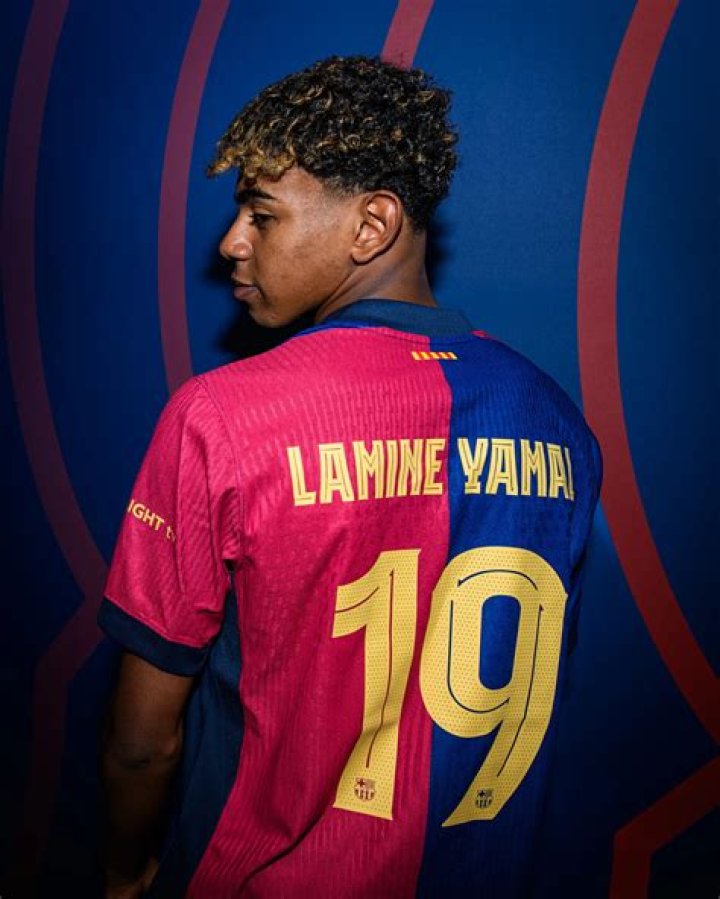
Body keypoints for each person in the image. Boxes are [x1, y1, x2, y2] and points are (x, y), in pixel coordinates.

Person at [98, 55, 602, 898]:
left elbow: (144, 741)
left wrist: (124, 873)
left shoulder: (221, 416)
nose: (231, 242)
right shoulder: (558, 422)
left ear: (371, 226)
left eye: (262, 214)